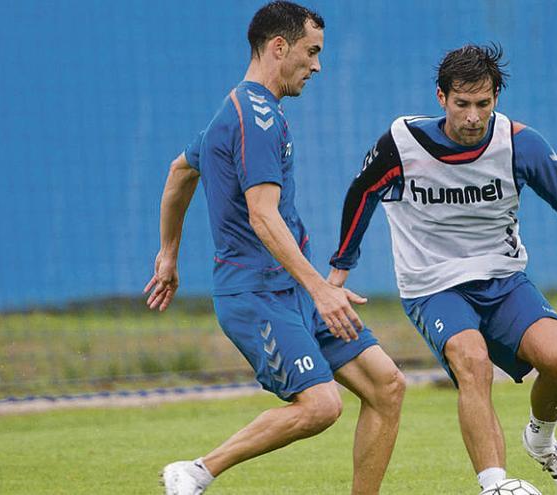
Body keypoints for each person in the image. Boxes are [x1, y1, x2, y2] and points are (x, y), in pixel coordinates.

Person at [328, 44, 557, 495]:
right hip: (432, 285)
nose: (473, 117)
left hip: (503, 279)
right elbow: (360, 196)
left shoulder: (521, 144)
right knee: (472, 360)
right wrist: (338, 275)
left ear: (497, 97)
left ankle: (541, 441)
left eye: (484, 104)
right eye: (462, 104)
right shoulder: (401, 144)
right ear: (441, 98)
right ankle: (496, 486)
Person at [144, 3, 405, 494]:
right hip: (258, 295)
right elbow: (262, 216)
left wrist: (168, 253)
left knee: (387, 386)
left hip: (293, 293)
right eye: (312, 52)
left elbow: (180, 171)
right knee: (323, 405)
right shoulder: (256, 116)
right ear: (278, 47)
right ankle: (195, 472)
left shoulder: (240, 109)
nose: (318, 66)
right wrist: (323, 291)